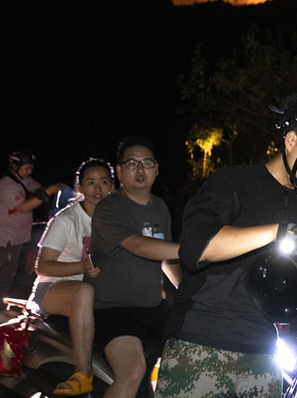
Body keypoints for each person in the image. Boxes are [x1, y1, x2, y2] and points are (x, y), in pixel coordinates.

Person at [155, 93, 297, 398]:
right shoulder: (232, 183)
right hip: (200, 346)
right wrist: (278, 233)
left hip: (263, 359)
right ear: (291, 140)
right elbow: (195, 247)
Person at [86, 136, 181, 398]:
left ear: (157, 169)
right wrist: (196, 250)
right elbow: (139, 245)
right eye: (131, 163)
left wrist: (188, 292)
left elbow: (166, 258)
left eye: (146, 163)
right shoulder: (109, 208)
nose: (140, 169)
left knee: (195, 351)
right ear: (119, 171)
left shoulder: (160, 207)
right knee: (132, 371)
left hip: (153, 308)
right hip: (114, 312)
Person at [28, 158, 114, 395]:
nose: (97, 189)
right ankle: (83, 372)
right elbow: (42, 267)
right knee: (83, 292)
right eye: (90, 182)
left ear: (112, 186)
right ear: (80, 188)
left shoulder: (117, 220)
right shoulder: (66, 219)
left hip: (95, 290)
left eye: (103, 182)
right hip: (53, 289)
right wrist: (81, 268)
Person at [0, 149, 61, 325]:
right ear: (15, 166)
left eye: (31, 168)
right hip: (6, 240)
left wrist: (47, 189)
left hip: (17, 237)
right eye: (26, 168)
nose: (29, 172)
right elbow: (23, 207)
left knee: (8, 275)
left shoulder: (22, 179)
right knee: (1, 276)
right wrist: (48, 193)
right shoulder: (6, 185)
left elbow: (36, 186)